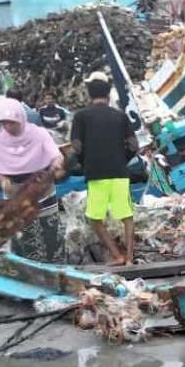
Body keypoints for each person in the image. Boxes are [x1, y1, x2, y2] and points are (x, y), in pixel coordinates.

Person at [0, 97, 66, 262]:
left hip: (42, 187)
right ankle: (26, 266)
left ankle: (56, 265)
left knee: (49, 228)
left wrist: (56, 164)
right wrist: (3, 180)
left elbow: (56, 156)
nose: (8, 127)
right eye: (4, 123)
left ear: (21, 118)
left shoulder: (39, 134)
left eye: (12, 123)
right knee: (20, 231)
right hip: (15, 191)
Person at [69, 74, 138, 266]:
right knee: (126, 216)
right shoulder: (120, 116)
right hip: (119, 172)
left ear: (90, 95)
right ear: (108, 94)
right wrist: (121, 160)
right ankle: (130, 258)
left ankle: (117, 255)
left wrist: (82, 164)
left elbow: (76, 146)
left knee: (94, 218)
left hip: (95, 173)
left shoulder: (81, 116)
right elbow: (134, 146)